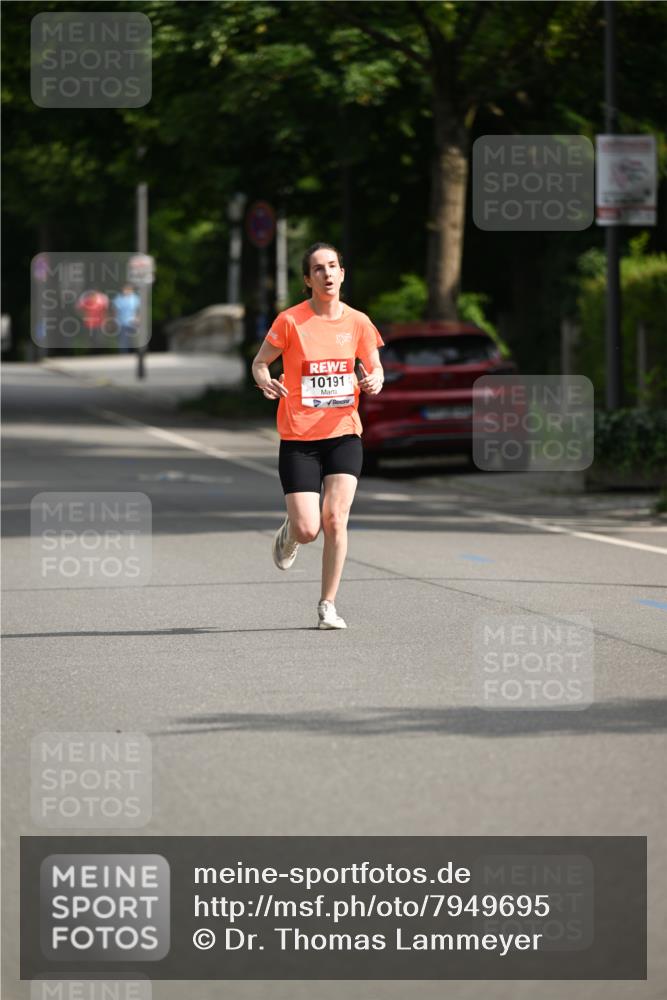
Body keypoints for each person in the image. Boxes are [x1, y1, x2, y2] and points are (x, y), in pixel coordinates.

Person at [251, 242, 384, 630]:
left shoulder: (358, 322)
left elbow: (373, 366)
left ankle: (328, 604)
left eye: (333, 266)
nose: (327, 274)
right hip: (299, 437)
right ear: (307, 280)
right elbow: (260, 363)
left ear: (342, 274)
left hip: (344, 432)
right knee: (310, 528)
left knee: (335, 519)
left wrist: (374, 378)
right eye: (318, 269)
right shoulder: (291, 321)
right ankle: (291, 532)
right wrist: (265, 383)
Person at [112, 284, 140, 353]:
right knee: (123, 340)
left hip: (133, 322)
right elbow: (115, 310)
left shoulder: (136, 299)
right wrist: (115, 321)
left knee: (134, 340)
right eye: (125, 289)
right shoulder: (119, 299)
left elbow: (138, 310)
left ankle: (136, 353)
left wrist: (138, 318)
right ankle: (124, 355)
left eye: (128, 289)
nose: (126, 291)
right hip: (122, 322)